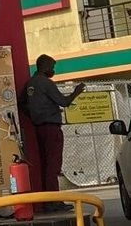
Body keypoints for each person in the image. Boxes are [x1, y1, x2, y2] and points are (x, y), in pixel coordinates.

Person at [18, 54, 85, 193]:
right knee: (53, 164)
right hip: (51, 128)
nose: (53, 70)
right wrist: (76, 92)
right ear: (45, 66)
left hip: (39, 127)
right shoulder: (46, 83)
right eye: (52, 67)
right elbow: (64, 102)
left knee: (45, 163)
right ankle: (54, 199)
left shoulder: (30, 83)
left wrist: (34, 113)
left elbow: (21, 103)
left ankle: (48, 197)